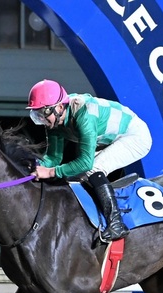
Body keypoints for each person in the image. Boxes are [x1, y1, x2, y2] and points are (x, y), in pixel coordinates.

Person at [26, 79, 152, 242]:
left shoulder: (84, 115)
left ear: (59, 107)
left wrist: (50, 172)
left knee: (93, 169)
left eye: (43, 113)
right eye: (36, 115)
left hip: (135, 135)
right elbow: (54, 157)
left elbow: (86, 163)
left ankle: (116, 223)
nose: (42, 119)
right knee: (78, 176)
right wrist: (36, 167)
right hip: (108, 138)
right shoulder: (53, 121)